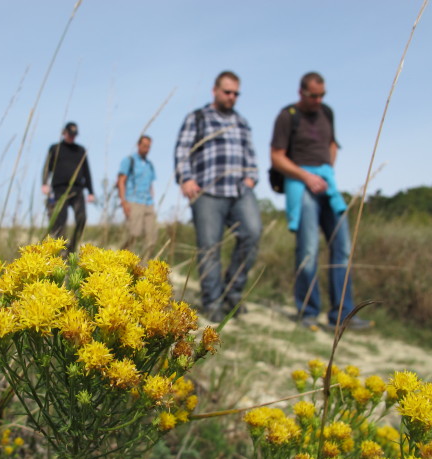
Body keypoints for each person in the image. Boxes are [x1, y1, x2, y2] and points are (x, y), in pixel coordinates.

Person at [269, 72, 372, 330]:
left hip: (327, 183)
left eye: (322, 95)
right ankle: (308, 312)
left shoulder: (327, 112)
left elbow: (333, 144)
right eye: (313, 95)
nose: (318, 100)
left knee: (343, 247)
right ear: (301, 92)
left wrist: (327, 169)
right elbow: (277, 157)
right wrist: (306, 176)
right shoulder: (287, 116)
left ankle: (343, 314)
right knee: (308, 249)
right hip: (301, 183)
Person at [174, 71, 262, 323]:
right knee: (209, 248)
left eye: (236, 93)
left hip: (238, 191)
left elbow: (251, 156)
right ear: (215, 91)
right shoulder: (198, 118)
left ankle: (232, 293)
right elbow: (182, 151)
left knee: (253, 233)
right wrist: (186, 179)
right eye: (227, 92)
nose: (232, 97)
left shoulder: (241, 122)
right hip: (207, 192)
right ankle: (212, 301)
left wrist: (250, 178)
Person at [42, 122, 95, 254]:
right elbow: (47, 167)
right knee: (60, 221)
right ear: (64, 133)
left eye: (74, 135)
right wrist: (44, 183)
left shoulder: (80, 150)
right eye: (70, 134)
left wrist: (91, 191)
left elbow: (87, 171)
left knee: (82, 218)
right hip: (60, 190)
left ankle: (72, 247)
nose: (72, 137)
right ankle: (62, 250)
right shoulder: (55, 148)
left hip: (77, 190)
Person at [117, 135, 157, 261]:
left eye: (148, 147)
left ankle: (143, 269)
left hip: (148, 203)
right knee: (133, 234)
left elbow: (151, 184)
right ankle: (121, 262)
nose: (146, 149)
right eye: (144, 146)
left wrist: (152, 197)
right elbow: (121, 181)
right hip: (133, 201)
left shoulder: (150, 165)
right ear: (138, 145)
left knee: (152, 237)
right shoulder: (129, 160)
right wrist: (123, 202)